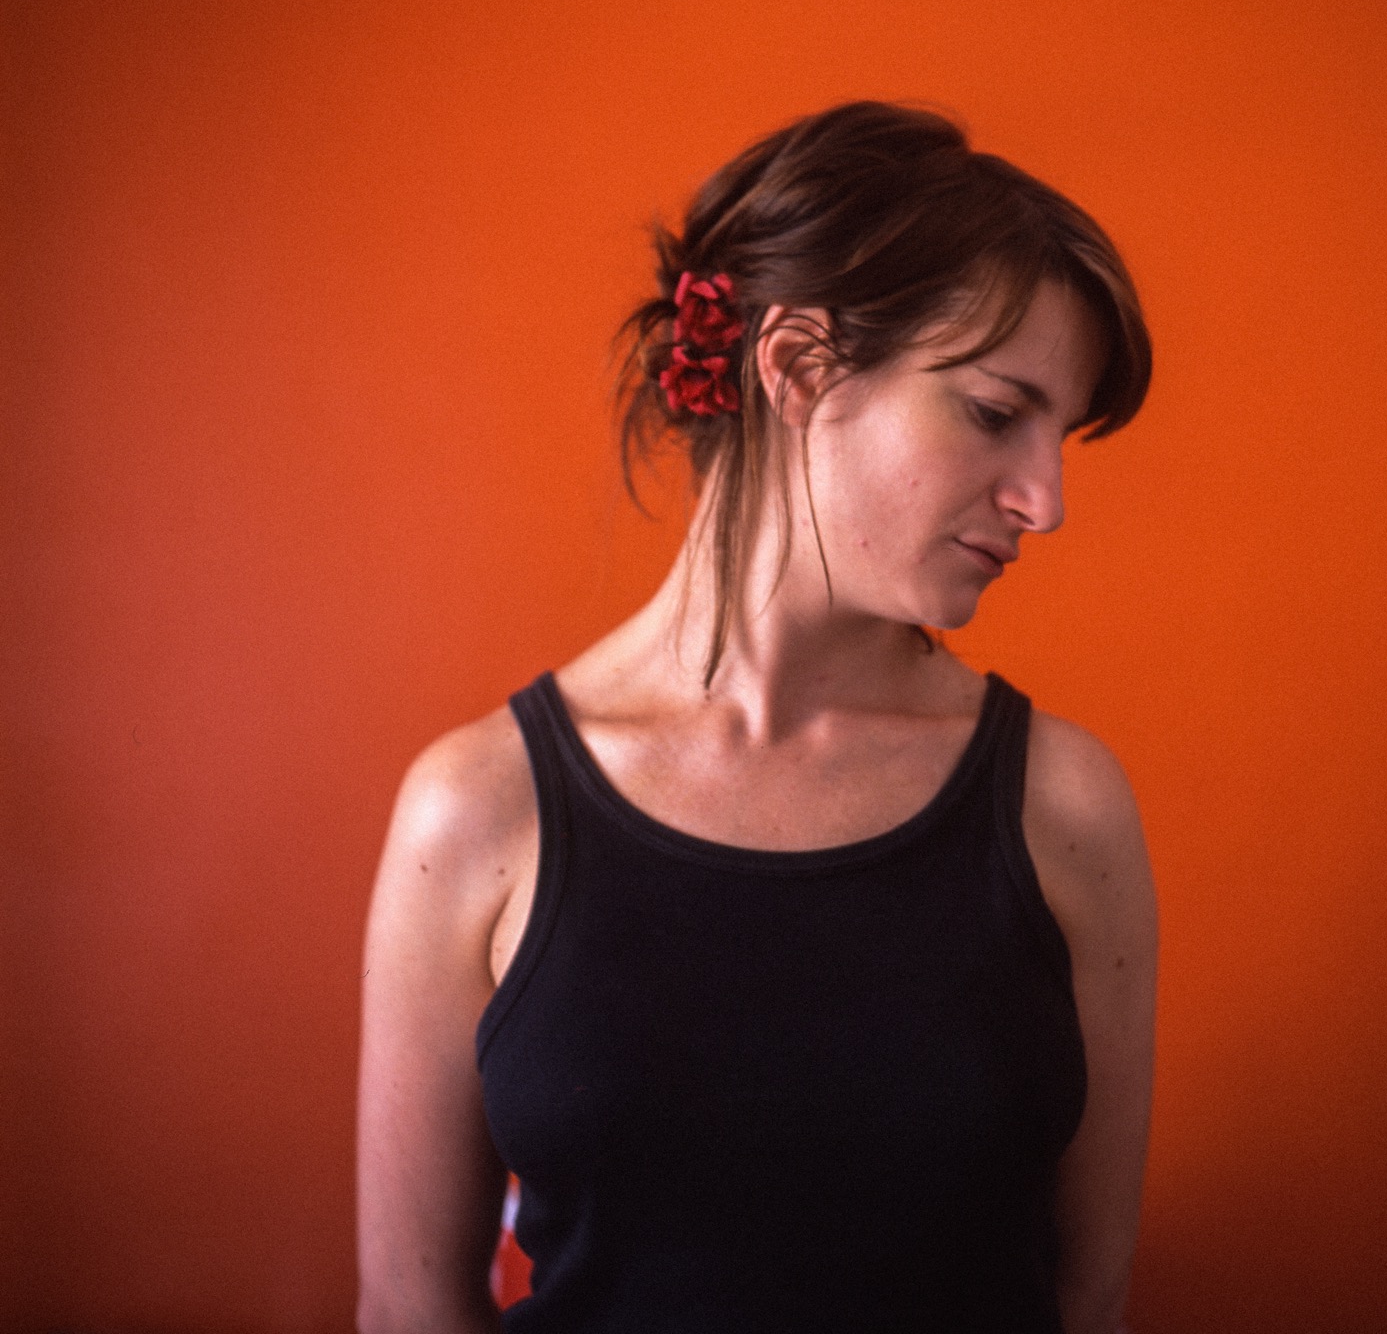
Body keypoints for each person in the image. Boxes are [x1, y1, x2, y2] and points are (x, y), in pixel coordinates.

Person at [356, 101, 1158, 1334]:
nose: (1043, 501)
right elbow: (412, 1303)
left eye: (1061, 436)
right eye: (999, 413)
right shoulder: (476, 809)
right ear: (793, 365)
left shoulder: (1063, 806)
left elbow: (1086, 1296)